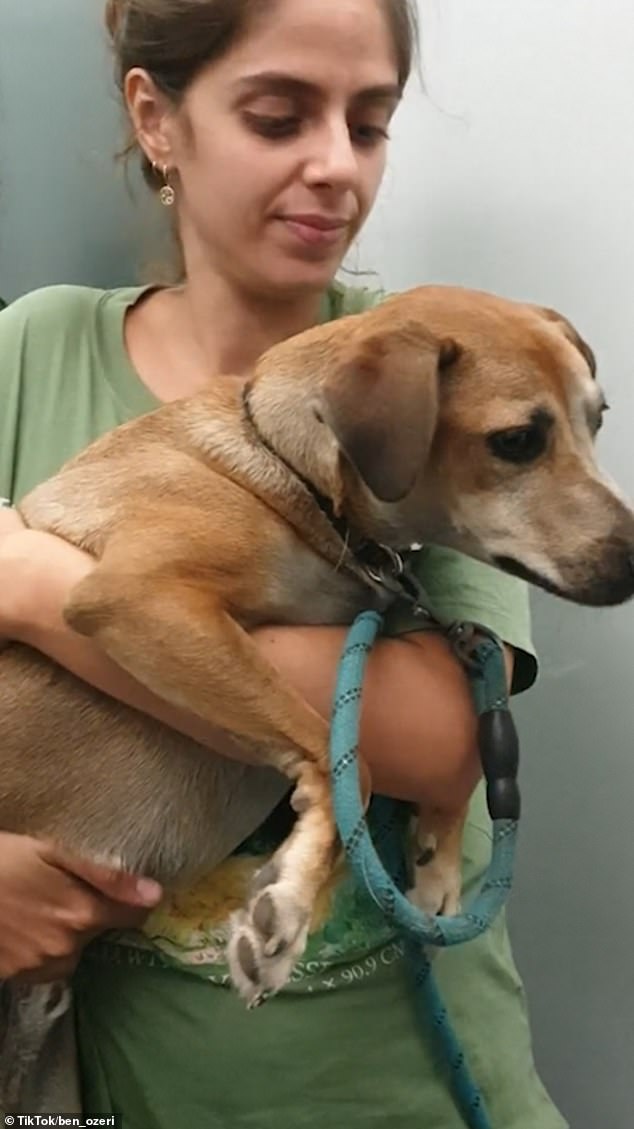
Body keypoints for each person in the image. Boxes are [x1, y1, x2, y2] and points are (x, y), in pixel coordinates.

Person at [0, 0, 567, 1125]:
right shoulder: (33, 348)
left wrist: (35, 586)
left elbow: (434, 742)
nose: (335, 167)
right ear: (156, 120)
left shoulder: (441, 367)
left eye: (370, 123)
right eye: (278, 116)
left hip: (417, 1095)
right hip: (140, 1091)